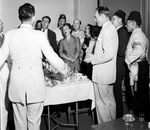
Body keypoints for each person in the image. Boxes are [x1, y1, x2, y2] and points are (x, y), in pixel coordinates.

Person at [0, 3, 70, 130]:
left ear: (19, 17)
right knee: (34, 123)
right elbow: (52, 57)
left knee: (19, 124)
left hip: (17, 85)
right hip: (35, 86)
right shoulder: (39, 35)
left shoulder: (10, 34)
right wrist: (65, 69)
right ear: (33, 17)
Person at [84, 6, 118, 123]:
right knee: (109, 102)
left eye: (96, 17)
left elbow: (108, 54)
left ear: (103, 16)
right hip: (108, 74)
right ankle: (113, 124)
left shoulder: (107, 29)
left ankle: (105, 127)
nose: (95, 20)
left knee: (102, 104)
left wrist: (92, 59)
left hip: (102, 75)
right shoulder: (110, 28)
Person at [125, 11, 150, 121]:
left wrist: (127, 59)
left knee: (137, 95)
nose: (126, 25)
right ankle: (143, 119)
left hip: (138, 67)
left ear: (133, 23)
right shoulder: (139, 33)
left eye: (128, 23)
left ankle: (139, 120)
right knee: (142, 94)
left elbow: (138, 50)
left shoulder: (137, 35)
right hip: (142, 65)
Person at [111, 10, 130, 118]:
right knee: (115, 92)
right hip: (116, 67)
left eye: (113, 19)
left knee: (116, 93)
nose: (111, 21)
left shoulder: (122, 32)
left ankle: (118, 116)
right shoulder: (118, 31)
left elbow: (122, 51)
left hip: (119, 68)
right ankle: (117, 115)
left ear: (120, 20)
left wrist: (110, 48)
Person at [0, 19, 10, 130]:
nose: (3, 25)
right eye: (0, 24)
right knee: (2, 102)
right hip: (1, 71)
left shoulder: (3, 36)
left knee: (5, 101)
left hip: (5, 71)